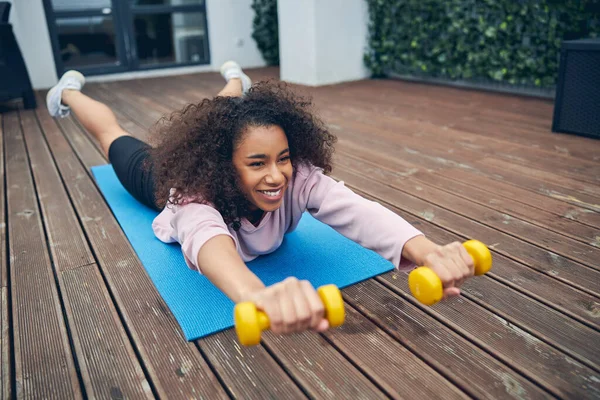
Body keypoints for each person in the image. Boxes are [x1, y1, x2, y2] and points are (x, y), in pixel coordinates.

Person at [46, 61, 475, 336]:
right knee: (111, 136)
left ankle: (236, 80)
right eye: (257, 164)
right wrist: (255, 295)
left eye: (283, 158)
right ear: (224, 166)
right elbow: (207, 242)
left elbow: (356, 210)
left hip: (221, 144)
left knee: (229, 116)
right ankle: (66, 92)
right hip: (158, 175)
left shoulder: (297, 177)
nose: (276, 176)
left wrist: (427, 251)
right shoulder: (194, 198)